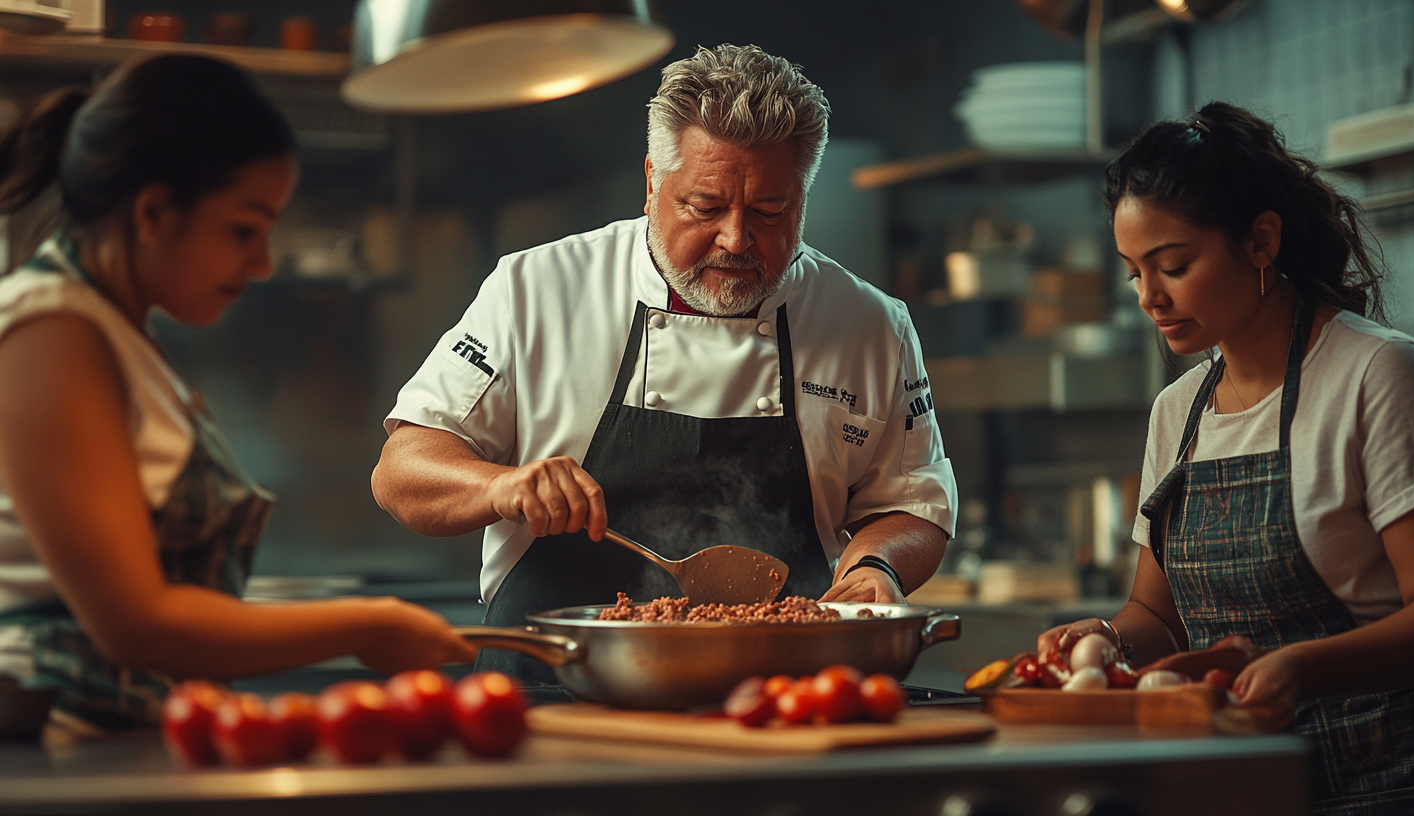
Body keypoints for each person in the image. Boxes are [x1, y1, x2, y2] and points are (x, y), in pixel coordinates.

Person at [372, 44, 957, 685]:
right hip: (553, 687)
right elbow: (401, 473)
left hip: (782, 696)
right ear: (653, 182)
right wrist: (499, 487)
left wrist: (878, 567)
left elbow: (910, 503)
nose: (736, 239)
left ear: (803, 198)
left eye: (770, 212)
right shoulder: (536, 288)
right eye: (705, 207)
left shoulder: (871, 324)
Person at [0, 55, 475, 733]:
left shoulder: (116, 333)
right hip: (57, 739)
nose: (259, 264)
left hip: (126, 733)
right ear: (155, 210)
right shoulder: (51, 329)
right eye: (243, 230)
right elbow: (135, 625)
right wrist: (365, 624)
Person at [1038, 102, 1414, 814]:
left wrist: (1299, 667)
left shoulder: (1379, 375)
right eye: (1134, 272)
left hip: (1394, 783)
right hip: (1232, 787)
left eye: (1172, 265)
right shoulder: (1179, 410)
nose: (1148, 297)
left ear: (1261, 241)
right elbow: (1156, 613)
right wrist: (1107, 637)